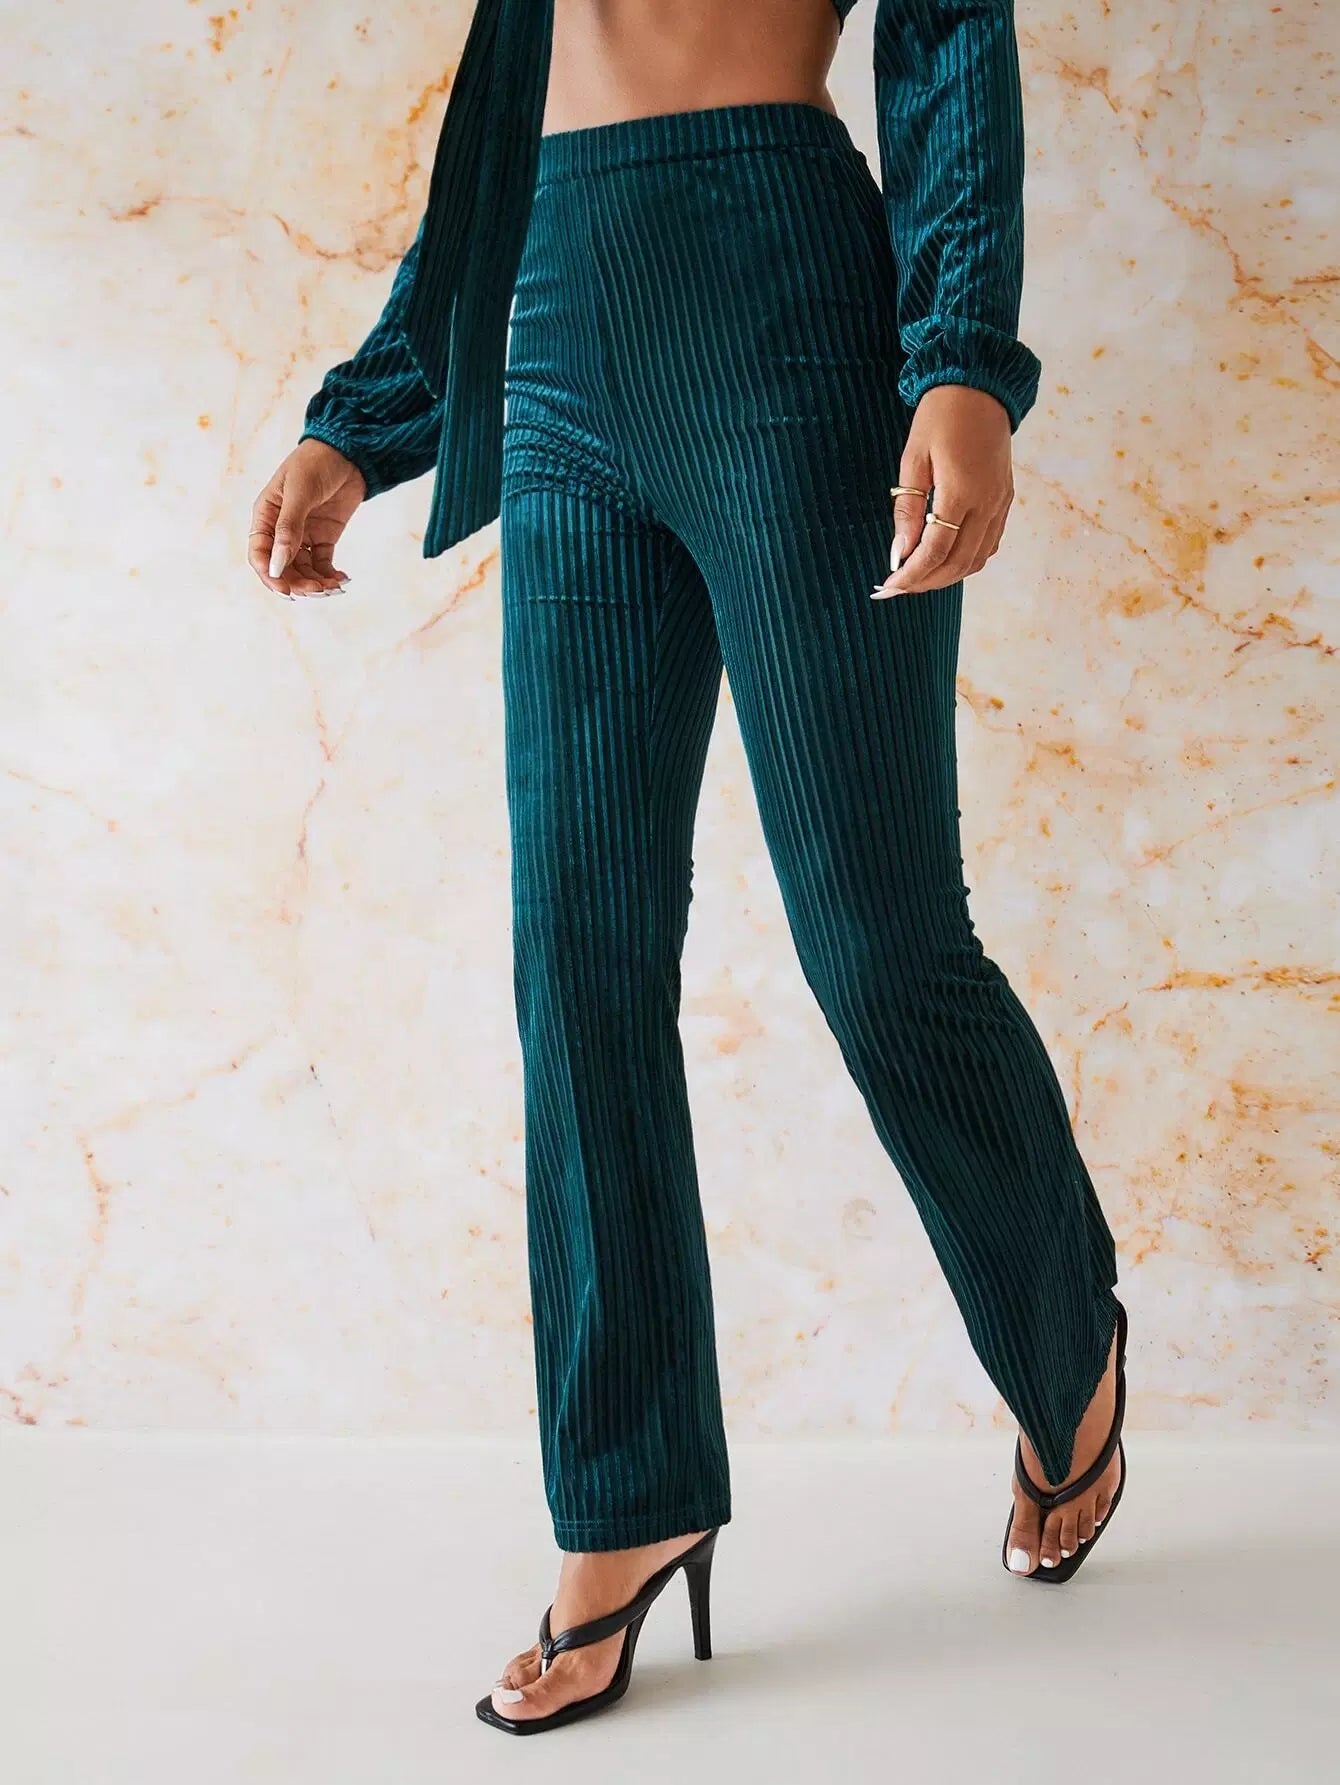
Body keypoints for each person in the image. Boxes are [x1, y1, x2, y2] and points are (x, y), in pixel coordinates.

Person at [247, 0, 1129, 1736]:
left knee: (882, 945)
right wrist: (368, 415)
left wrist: (959, 360)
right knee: (575, 959)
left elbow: (948, 41)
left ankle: (1064, 1341)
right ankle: (627, 1490)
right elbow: (504, 119)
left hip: (784, 304)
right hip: (554, 318)